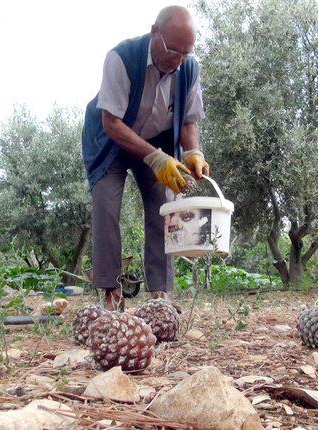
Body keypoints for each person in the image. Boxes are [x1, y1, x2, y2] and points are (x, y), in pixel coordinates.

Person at [81, 5, 210, 312]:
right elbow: (111, 123)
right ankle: (110, 292)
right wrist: (155, 158)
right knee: (107, 206)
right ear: (154, 32)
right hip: (110, 140)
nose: (178, 60)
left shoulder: (188, 69)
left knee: (162, 206)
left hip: (156, 141)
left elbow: (189, 121)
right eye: (172, 50)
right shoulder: (121, 59)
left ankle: (161, 294)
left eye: (185, 53)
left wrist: (192, 152)